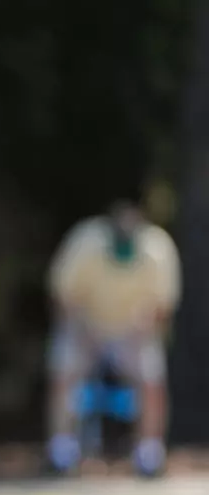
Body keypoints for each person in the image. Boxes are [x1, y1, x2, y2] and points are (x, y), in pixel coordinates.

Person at [46, 200, 181, 477]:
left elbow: (163, 306)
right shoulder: (85, 242)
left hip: (133, 332)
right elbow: (63, 296)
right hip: (85, 325)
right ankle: (61, 450)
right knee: (64, 371)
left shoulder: (157, 249)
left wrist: (141, 327)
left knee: (151, 378)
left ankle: (149, 454)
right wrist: (84, 332)